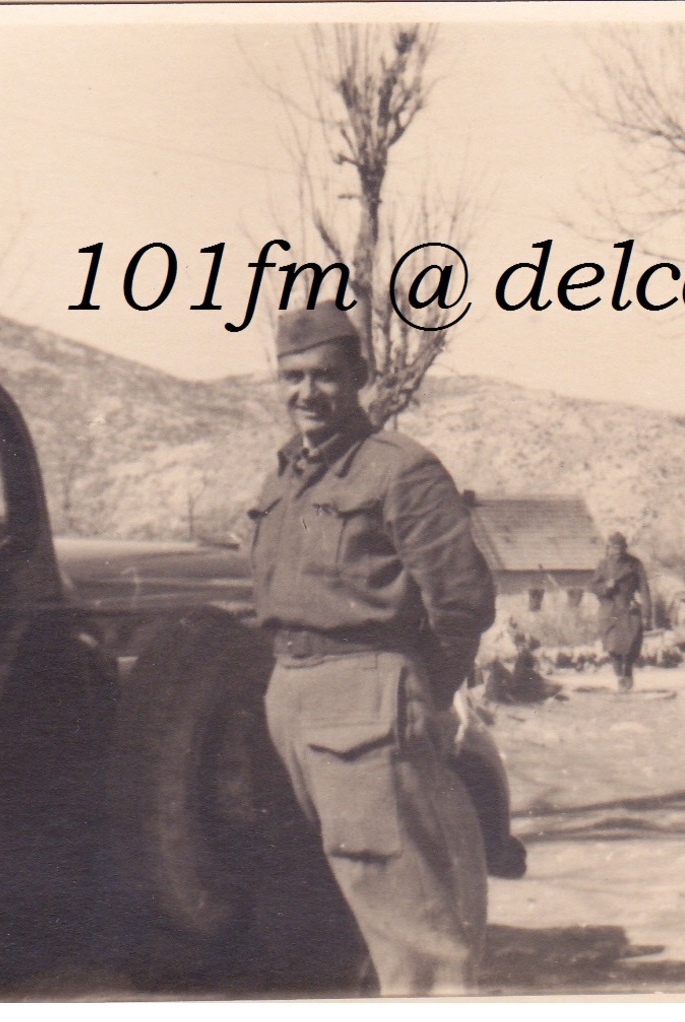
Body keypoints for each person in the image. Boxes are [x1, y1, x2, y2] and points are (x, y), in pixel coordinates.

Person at [246, 306, 497, 996]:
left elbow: (463, 599)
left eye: (325, 376)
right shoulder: (284, 477)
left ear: (358, 376)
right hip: (292, 695)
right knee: (351, 895)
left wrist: (418, 689)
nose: (306, 392)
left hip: (365, 696)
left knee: (409, 921)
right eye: (292, 377)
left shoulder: (399, 471)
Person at [589, 532, 652, 692]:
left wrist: (646, 613)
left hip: (629, 609)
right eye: (614, 548)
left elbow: (644, 589)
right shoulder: (603, 565)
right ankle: (619, 677)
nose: (617, 551)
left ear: (625, 548)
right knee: (612, 646)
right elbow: (593, 587)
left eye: (621, 548)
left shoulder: (635, 564)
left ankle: (628, 670)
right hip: (609, 610)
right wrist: (605, 587)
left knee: (631, 645)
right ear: (608, 548)